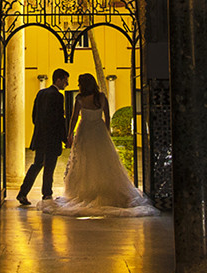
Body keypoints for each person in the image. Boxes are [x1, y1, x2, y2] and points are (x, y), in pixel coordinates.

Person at [43, 50, 157, 217]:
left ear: (83, 84)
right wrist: (107, 131)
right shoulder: (101, 97)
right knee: (103, 161)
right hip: (99, 131)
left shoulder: (80, 99)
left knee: (85, 161)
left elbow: (74, 119)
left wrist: (69, 134)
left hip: (84, 132)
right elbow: (108, 116)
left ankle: (85, 191)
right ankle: (104, 188)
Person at [17, 68, 72, 204]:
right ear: (58, 79)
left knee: (37, 164)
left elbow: (34, 116)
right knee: (49, 167)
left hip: (40, 136)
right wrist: (64, 138)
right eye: (65, 80)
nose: (67, 84)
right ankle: (47, 194)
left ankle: (22, 193)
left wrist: (40, 130)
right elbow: (60, 119)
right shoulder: (58, 96)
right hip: (52, 138)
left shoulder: (41, 93)